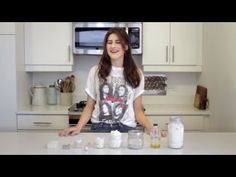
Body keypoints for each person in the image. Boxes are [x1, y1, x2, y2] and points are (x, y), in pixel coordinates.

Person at [59, 27, 153, 136]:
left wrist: (151, 128)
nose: (113, 46)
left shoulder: (137, 74)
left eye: (118, 42)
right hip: (100, 127)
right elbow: (89, 106)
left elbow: (138, 110)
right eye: (109, 42)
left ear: (126, 46)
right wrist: (78, 127)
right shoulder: (95, 71)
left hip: (126, 129)